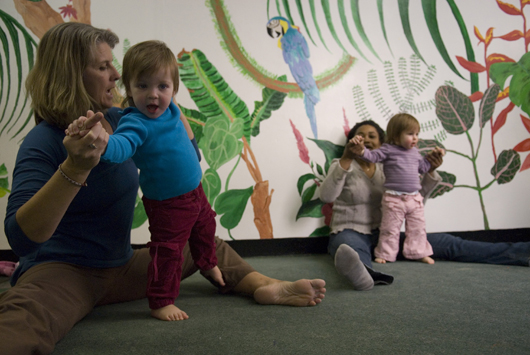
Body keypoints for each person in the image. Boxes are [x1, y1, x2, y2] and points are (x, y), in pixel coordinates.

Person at [0, 22, 326, 355]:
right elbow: (22, 239)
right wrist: (75, 166)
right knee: (21, 320)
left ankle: (265, 286)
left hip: (120, 266)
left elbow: (183, 158)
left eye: (114, 64)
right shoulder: (42, 141)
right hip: (64, 273)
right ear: (69, 73)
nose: (116, 74)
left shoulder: (123, 118)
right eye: (103, 66)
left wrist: (182, 128)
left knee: (200, 242)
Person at [66, 40, 222, 322]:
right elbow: (123, 146)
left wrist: (193, 146)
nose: (153, 95)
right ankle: (161, 300)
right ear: (128, 88)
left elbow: (181, 124)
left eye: (162, 86)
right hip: (168, 203)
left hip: (195, 191)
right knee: (169, 252)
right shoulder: (135, 122)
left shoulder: (171, 108)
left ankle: (207, 263)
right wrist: (104, 143)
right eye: (142, 86)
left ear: (173, 89)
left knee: (206, 225)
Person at [320, 119, 530, 291]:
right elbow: (327, 196)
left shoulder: (390, 168)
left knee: (449, 243)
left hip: (384, 235)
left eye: (372, 136)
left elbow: (416, 201)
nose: (366, 139)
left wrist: (429, 170)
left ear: (382, 144)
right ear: (352, 142)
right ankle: (365, 276)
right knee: (349, 248)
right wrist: (347, 158)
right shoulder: (341, 165)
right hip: (349, 230)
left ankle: (522, 252)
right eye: (361, 136)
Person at [351, 113, 443, 265]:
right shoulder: (388, 149)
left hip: (414, 199)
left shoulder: (414, 152)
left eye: (416, 134)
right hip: (394, 199)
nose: (415, 138)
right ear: (396, 135)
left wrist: (434, 157)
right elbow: (372, 157)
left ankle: (418, 252)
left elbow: (422, 168)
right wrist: (361, 150)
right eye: (410, 134)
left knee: (417, 229)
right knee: (389, 229)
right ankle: (385, 254)